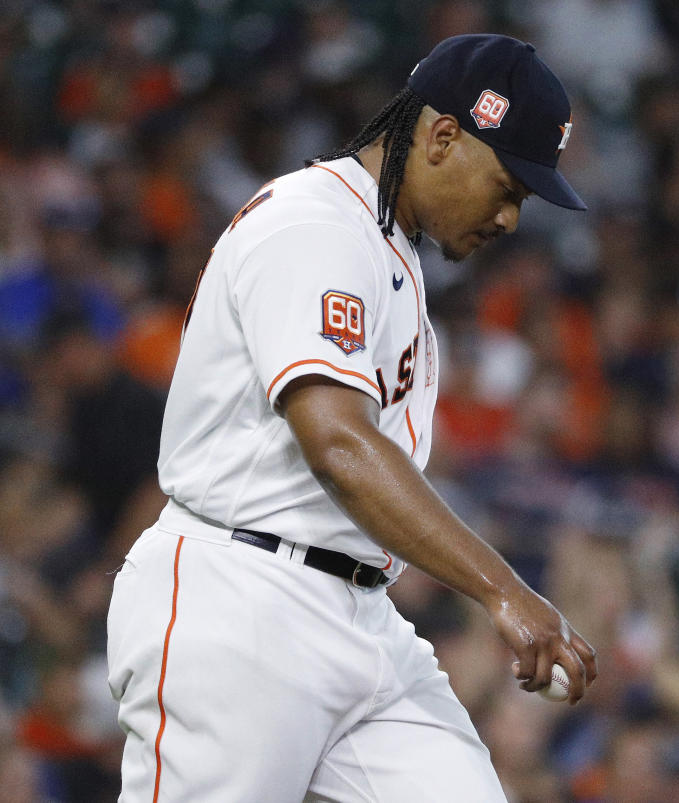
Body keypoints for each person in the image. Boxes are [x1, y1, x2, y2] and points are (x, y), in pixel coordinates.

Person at [106, 33, 597, 802]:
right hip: (242, 598)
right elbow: (336, 441)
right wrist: (501, 586)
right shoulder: (316, 225)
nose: (509, 217)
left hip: (361, 616)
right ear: (441, 136)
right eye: (507, 185)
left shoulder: (386, 247)